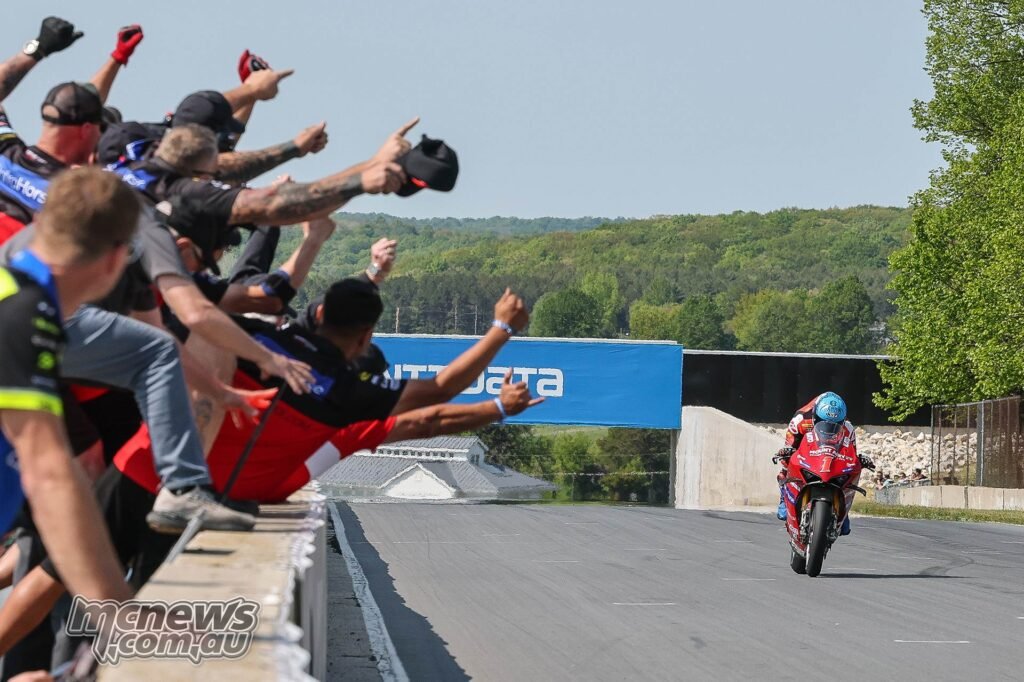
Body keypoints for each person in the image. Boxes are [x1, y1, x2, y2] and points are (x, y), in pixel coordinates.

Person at [0, 170, 137, 679]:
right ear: (116, 260)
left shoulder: (16, 294)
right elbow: (51, 472)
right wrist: (119, 610)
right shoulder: (23, 311)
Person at [0, 17, 140, 242]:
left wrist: (38, 49)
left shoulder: (5, 151)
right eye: (100, 128)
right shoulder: (72, 199)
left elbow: (78, 107)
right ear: (86, 129)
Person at [774, 391, 871, 535]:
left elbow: (850, 454)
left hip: (830, 451)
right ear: (815, 416)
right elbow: (789, 445)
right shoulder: (800, 420)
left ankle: (841, 506)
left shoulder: (848, 428)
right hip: (804, 445)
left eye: (836, 424)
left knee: (849, 469)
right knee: (787, 461)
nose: (830, 427)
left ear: (842, 420)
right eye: (823, 421)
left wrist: (858, 461)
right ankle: (784, 496)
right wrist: (787, 452)